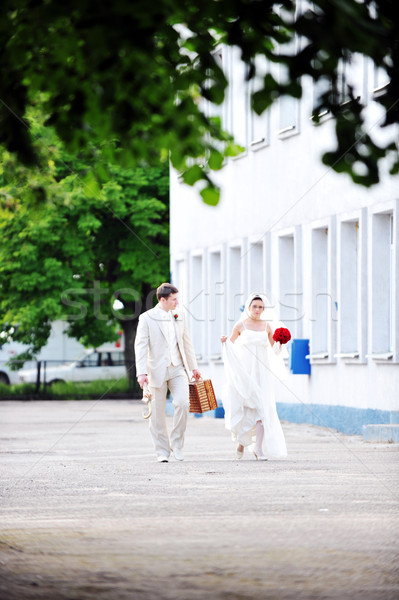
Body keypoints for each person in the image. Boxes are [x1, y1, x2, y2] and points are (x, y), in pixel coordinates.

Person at [135, 283, 201, 462]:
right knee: (157, 414)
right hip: (155, 370)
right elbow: (140, 347)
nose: (177, 302)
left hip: (178, 368)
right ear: (163, 300)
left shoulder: (180, 316)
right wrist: (141, 373)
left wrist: (193, 367)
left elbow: (187, 342)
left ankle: (177, 444)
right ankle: (162, 452)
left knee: (183, 404)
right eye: (174, 299)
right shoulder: (146, 318)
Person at [220, 293, 287, 461]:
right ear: (248, 307)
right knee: (245, 406)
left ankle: (258, 448)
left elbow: (275, 351)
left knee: (263, 407)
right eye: (255, 306)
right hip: (245, 369)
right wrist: (224, 342)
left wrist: (280, 342)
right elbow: (231, 345)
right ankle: (242, 442)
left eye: (261, 307)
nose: (257, 310)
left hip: (262, 371)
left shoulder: (267, 326)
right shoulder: (240, 325)